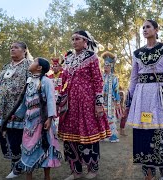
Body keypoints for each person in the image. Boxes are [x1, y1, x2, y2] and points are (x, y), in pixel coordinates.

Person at [125, 19, 163, 180]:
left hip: (158, 95)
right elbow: (133, 78)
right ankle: (148, 173)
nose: (144, 29)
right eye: (143, 28)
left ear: (156, 29)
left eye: (148, 27)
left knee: (160, 131)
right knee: (143, 132)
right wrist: (128, 101)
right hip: (141, 98)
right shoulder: (137, 53)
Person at [58, 30, 111, 180]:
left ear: (85, 41)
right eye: (73, 39)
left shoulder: (92, 57)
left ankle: (92, 168)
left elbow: (98, 81)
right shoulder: (68, 59)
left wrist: (98, 103)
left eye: (77, 39)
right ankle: (76, 170)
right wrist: (60, 98)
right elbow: (63, 80)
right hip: (70, 103)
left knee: (88, 136)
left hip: (87, 103)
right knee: (70, 137)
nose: (74, 41)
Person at [7, 58, 61, 180]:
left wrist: (50, 118)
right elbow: (25, 101)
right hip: (29, 121)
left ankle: (47, 177)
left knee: (46, 146)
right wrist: (17, 114)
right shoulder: (29, 81)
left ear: (39, 67)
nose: (31, 63)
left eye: (34, 61)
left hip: (43, 120)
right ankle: (28, 176)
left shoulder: (46, 81)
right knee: (28, 147)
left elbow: (51, 99)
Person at [0, 41, 32, 178]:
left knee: (16, 139)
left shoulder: (29, 66)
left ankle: (18, 167)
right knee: (5, 137)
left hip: (18, 109)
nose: (12, 49)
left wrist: (22, 109)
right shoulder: (6, 66)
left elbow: (31, 89)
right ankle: (15, 165)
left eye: (16, 47)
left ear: (24, 50)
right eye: (11, 47)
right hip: (2, 109)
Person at [102, 51, 121, 142]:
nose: (105, 67)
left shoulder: (114, 78)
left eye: (107, 65)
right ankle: (103, 135)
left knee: (110, 117)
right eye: (104, 65)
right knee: (101, 117)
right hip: (101, 101)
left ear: (111, 66)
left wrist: (118, 102)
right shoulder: (100, 77)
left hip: (111, 101)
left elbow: (116, 90)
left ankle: (113, 136)